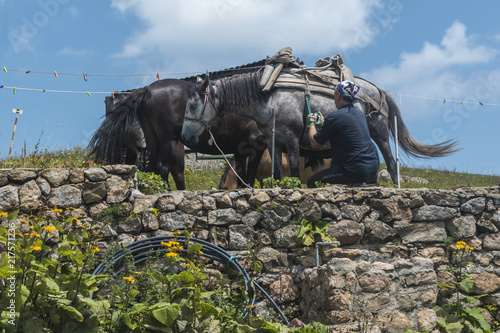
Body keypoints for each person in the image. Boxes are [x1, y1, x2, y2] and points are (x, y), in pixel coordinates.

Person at [306, 81, 379, 188]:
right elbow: (343, 130)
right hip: (372, 169)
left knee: (313, 182)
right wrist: (324, 125)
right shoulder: (359, 113)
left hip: (352, 170)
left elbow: (315, 143)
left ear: (338, 95)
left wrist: (311, 123)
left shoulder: (334, 117)